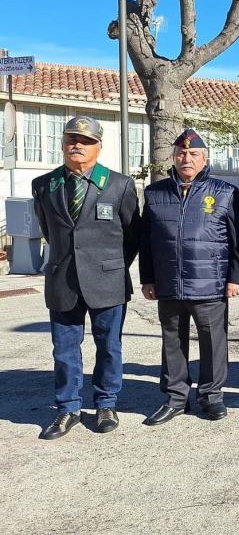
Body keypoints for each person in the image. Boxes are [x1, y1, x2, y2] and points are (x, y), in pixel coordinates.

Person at [31, 115, 140, 440]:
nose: (77, 145)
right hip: (63, 281)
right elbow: (49, 230)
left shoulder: (119, 184)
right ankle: (68, 409)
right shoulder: (44, 185)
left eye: (86, 141)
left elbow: (132, 235)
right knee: (64, 350)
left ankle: (106, 403)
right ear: (63, 144)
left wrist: (109, 266)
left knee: (109, 347)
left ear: (98, 146)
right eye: (71, 140)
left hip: (107, 282)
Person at [139, 129, 239, 425]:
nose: (186, 159)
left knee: (213, 341)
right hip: (169, 282)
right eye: (181, 154)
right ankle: (176, 398)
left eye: (193, 154)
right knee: (172, 341)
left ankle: (211, 397)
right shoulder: (155, 193)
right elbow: (146, 242)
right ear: (174, 157)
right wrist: (147, 278)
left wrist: (236, 278)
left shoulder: (224, 192)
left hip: (210, 283)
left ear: (204, 159)